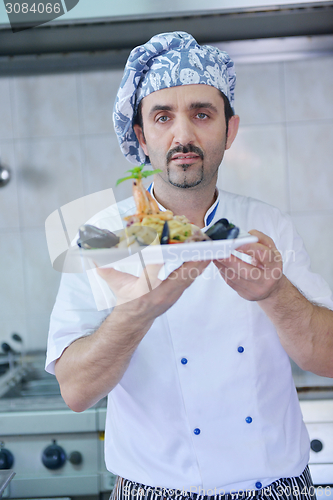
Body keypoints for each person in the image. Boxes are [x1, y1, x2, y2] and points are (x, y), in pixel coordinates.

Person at [46, 32, 333, 500]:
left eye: (202, 114)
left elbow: (328, 358)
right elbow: (76, 392)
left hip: (278, 487)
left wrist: (275, 295)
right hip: (154, 490)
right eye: (163, 117)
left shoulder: (266, 226)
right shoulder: (100, 236)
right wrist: (135, 312)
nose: (183, 136)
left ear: (229, 130)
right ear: (141, 136)